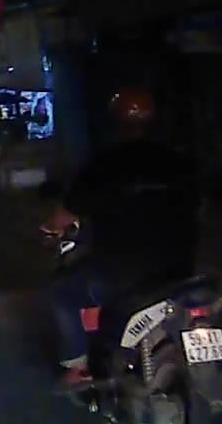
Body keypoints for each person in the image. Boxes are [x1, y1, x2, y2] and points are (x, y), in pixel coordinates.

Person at [41, 86, 201, 392]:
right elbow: (198, 206)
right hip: (179, 270)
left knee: (63, 292)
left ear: (114, 123)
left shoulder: (103, 166)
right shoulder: (179, 162)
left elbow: (65, 215)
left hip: (120, 273)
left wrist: (51, 227)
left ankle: (79, 367)